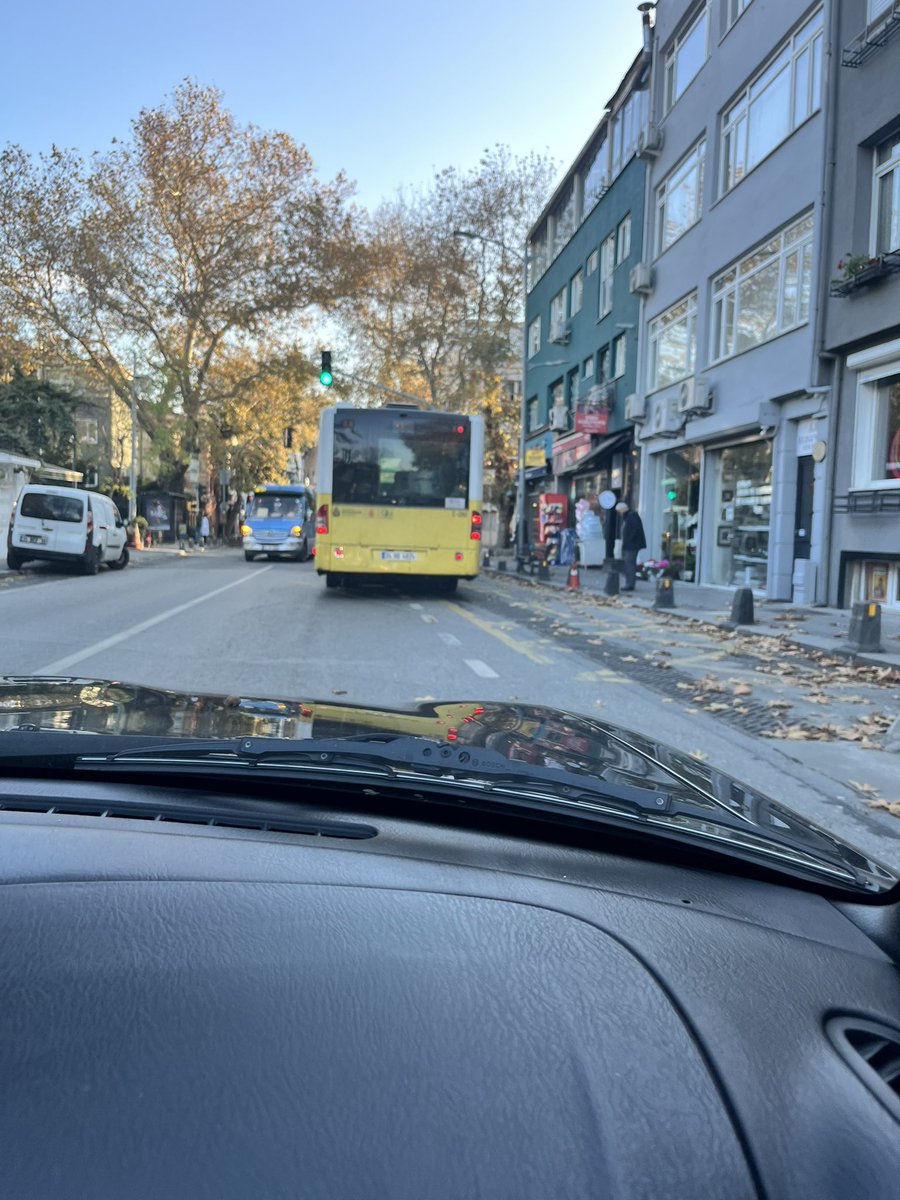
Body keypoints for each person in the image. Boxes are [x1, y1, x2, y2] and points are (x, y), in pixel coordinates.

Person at [616, 501, 646, 592]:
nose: (619, 514)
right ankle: (629, 582)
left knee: (629, 563)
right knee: (629, 563)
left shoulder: (632, 516)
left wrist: (629, 540)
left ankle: (629, 584)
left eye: (619, 511)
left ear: (622, 509)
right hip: (630, 544)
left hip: (632, 545)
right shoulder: (629, 516)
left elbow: (635, 529)